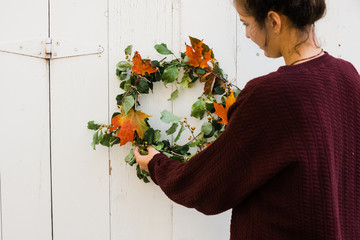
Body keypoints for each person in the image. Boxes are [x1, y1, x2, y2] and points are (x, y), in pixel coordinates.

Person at [134, 0, 360, 239]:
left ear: (274, 21)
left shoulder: (270, 95)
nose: (246, 34)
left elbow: (210, 184)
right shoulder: (348, 75)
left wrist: (157, 165)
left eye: (247, 23)